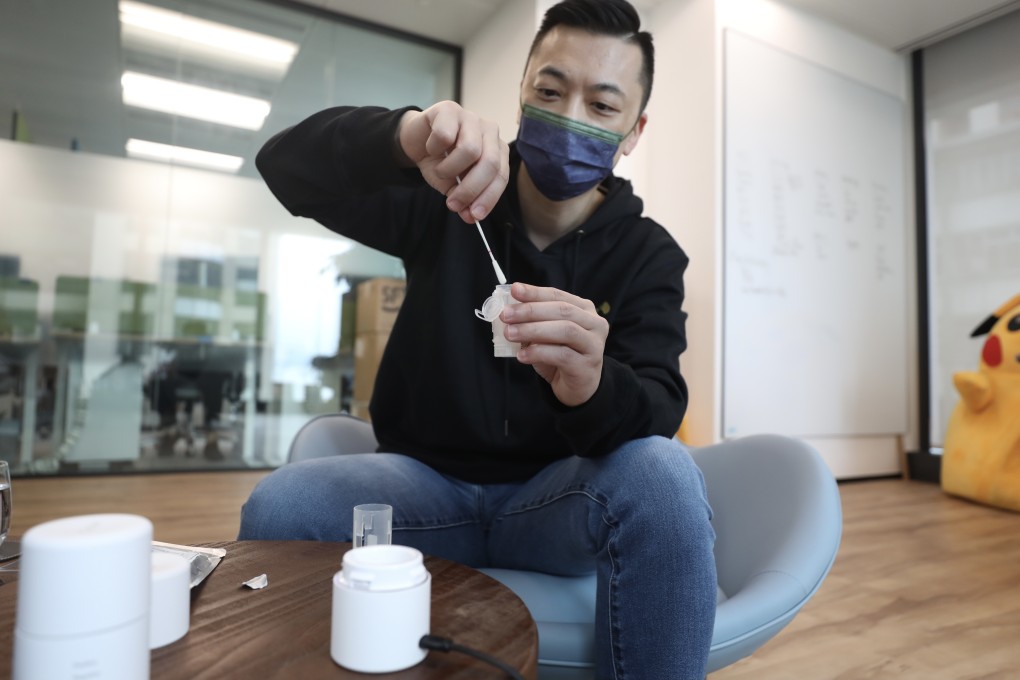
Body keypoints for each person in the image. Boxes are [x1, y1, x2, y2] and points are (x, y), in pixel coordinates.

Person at [239, 0, 717, 676]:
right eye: (550, 91)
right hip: (424, 489)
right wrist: (406, 136)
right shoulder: (449, 194)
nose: (571, 117)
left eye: (602, 106)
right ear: (521, 92)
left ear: (634, 131)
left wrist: (592, 387)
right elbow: (284, 166)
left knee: (666, 473)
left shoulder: (649, 254)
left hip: (554, 503)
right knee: (282, 501)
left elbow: (659, 402)